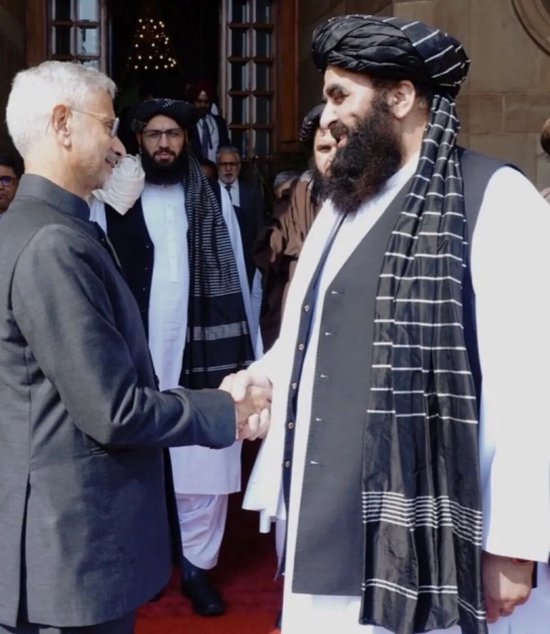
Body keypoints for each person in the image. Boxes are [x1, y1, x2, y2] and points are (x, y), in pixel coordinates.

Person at [229, 14, 550, 634]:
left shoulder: (494, 197)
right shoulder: (342, 204)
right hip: (324, 517)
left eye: (339, 96)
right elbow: (305, 339)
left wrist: (514, 542)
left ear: (400, 97)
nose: (327, 116)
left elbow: (531, 387)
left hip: (429, 527)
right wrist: (261, 380)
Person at [0, 60, 269, 634]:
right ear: (63, 124)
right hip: (67, 554)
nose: (120, 146)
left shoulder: (29, 228)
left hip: (52, 544)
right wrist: (226, 408)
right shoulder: (54, 243)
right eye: (108, 126)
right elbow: (113, 410)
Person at [90, 98, 260, 617]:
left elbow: (236, 272)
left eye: (173, 135)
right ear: (138, 140)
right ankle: (143, 565)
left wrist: (246, 352)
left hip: (202, 348)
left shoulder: (210, 197)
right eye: (154, 135)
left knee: (202, 458)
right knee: (132, 456)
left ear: (187, 141)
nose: (164, 144)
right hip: (134, 348)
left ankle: (197, 569)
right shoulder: (111, 195)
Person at [252, 104, 337, 350]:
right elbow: (271, 252)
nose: (333, 158)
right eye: (324, 149)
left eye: (341, 147)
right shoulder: (297, 198)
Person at [216, 145, 265, 289]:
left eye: (232, 164)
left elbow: (259, 227)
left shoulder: (251, 193)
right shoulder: (208, 193)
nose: (228, 169)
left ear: (239, 167)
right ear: (217, 167)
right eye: (224, 164)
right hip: (217, 264)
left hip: (246, 262)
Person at [190, 80, 231, 162]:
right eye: (199, 101)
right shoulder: (188, 123)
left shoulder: (219, 122)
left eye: (206, 102)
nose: (203, 105)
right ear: (194, 102)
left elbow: (226, 147)